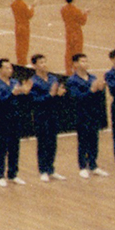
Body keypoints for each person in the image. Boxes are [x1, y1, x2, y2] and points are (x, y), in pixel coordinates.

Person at [66, 54, 108, 177]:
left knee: (94, 140)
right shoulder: (72, 80)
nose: (85, 63)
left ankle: (93, 165)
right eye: (82, 61)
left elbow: (99, 97)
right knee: (83, 140)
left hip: (93, 113)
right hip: (81, 114)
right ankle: (83, 166)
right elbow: (76, 97)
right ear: (75, 64)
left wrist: (101, 89)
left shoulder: (92, 77)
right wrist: (91, 91)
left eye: (86, 61)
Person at [0, 59, 28, 187]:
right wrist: (12, 94)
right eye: (6, 68)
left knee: (15, 146)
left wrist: (23, 93)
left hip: (15, 118)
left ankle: (13, 174)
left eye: (10, 68)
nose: (9, 70)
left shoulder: (15, 82)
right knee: (3, 146)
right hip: (2, 118)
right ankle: (0, 175)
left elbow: (20, 100)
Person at [28, 54, 68, 182]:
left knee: (52, 142)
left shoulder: (53, 79)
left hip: (52, 114)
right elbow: (35, 100)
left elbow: (56, 96)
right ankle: (43, 170)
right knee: (43, 142)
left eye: (45, 61)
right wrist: (50, 95)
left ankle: (51, 169)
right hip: (41, 115)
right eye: (41, 62)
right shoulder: (33, 81)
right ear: (34, 65)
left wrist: (59, 95)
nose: (44, 64)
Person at [60, 0, 88, 75]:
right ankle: (77, 70)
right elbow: (82, 22)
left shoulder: (63, 9)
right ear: (73, 0)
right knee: (77, 52)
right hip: (76, 33)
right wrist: (85, 13)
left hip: (68, 32)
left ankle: (68, 70)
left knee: (68, 52)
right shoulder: (76, 10)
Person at [10, 0, 34, 66]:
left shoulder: (13, 4)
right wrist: (32, 7)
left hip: (17, 26)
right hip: (24, 26)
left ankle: (19, 60)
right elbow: (29, 15)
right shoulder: (23, 4)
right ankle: (23, 61)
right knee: (24, 45)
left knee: (18, 44)